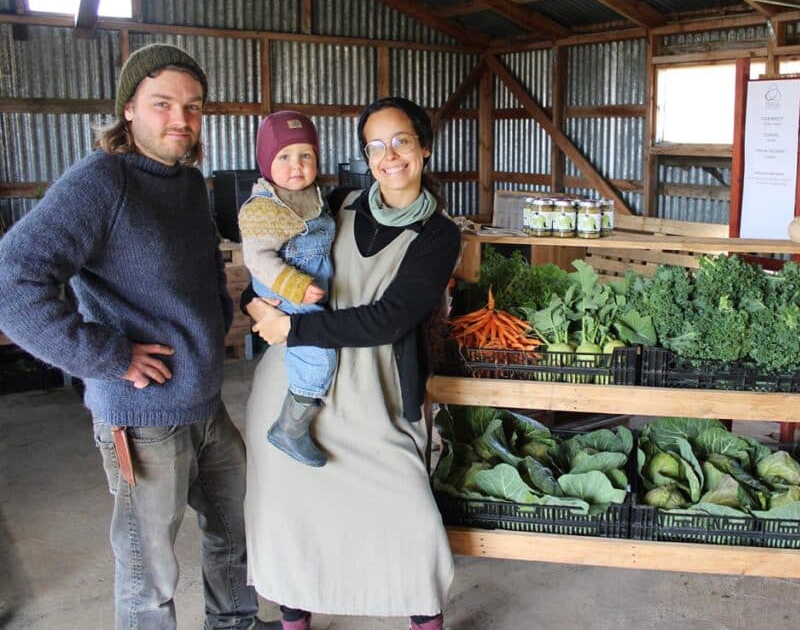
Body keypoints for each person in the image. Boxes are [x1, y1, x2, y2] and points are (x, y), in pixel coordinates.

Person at [0, 43, 279, 630]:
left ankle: (236, 624)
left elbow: (198, 270)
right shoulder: (100, 181)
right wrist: (109, 355)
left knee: (236, 534)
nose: (180, 119)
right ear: (128, 109)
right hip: (142, 416)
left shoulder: (185, 181)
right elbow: (12, 283)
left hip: (206, 403)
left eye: (193, 106)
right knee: (148, 568)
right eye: (162, 104)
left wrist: (223, 309)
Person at [243, 97, 461, 630]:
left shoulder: (439, 234)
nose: (389, 156)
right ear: (366, 155)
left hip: (376, 393)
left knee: (408, 518)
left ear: (423, 148)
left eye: (401, 141)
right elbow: (269, 262)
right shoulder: (334, 203)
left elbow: (389, 318)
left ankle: (424, 620)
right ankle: (295, 620)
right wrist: (250, 303)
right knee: (295, 516)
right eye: (376, 145)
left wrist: (293, 327)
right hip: (296, 389)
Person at [240, 111, 335, 468]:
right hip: (285, 290)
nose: (297, 166)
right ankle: (290, 427)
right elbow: (257, 257)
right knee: (318, 355)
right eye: (284, 157)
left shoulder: (315, 197)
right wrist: (296, 287)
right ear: (266, 161)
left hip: (308, 285)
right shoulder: (266, 207)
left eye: (306, 156)